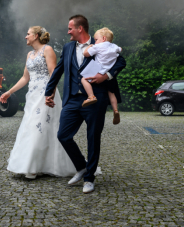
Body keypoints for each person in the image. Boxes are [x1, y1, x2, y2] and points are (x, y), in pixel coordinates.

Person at [45, 15, 126, 194]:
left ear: (80, 28)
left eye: (70, 28)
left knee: (93, 138)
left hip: (96, 98)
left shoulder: (100, 42)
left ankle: (89, 178)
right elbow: (58, 71)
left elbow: (120, 61)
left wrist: (107, 76)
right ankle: (82, 167)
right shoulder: (67, 48)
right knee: (63, 135)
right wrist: (48, 92)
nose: (68, 32)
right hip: (73, 99)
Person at [1, 26, 76, 179]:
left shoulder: (47, 50)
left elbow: (53, 74)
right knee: (30, 127)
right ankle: (34, 164)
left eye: (27, 34)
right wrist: (9, 92)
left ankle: (33, 167)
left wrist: (51, 94)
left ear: (35, 36)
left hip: (45, 94)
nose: (25, 37)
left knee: (39, 127)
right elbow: (25, 78)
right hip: (32, 96)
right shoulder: (29, 54)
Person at [80, 27, 122, 125]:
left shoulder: (97, 46)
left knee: (83, 79)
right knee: (111, 92)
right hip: (108, 73)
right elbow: (120, 49)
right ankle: (115, 110)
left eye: (96, 39)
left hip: (98, 70)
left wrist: (89, 47)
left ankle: (91, 97)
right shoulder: (114, 46)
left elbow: (85, 54)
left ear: (103, 38)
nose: (95, 41)